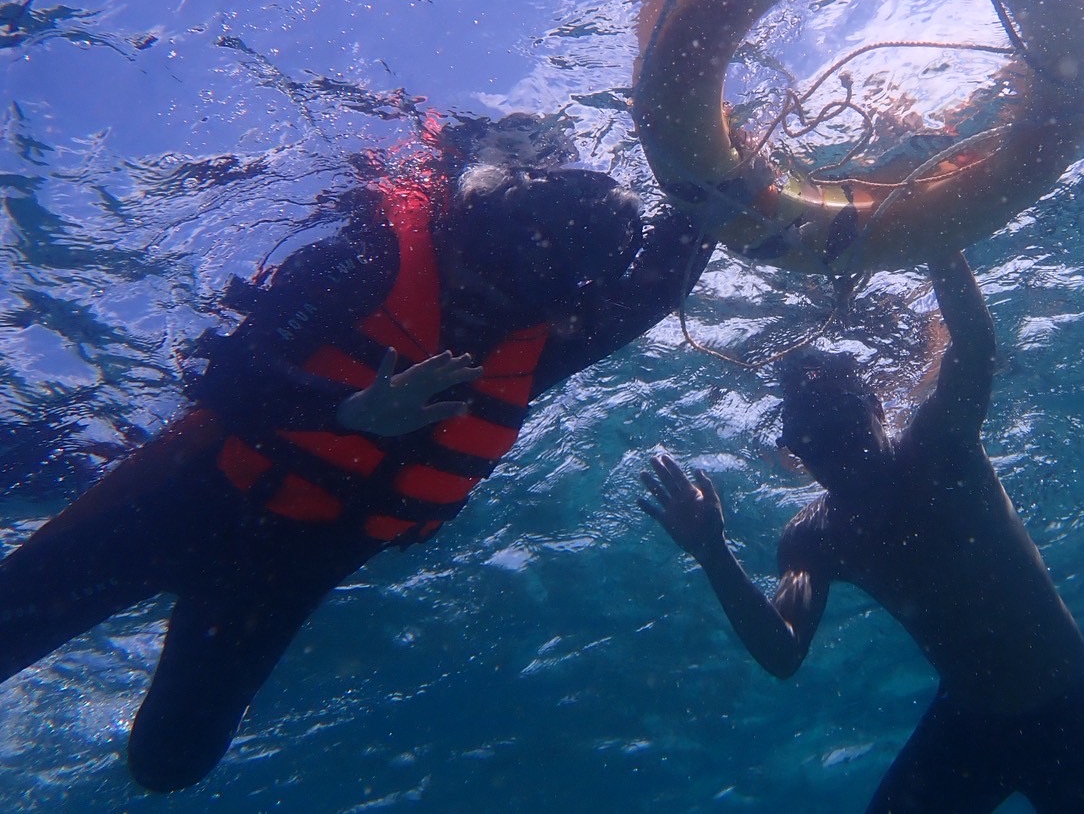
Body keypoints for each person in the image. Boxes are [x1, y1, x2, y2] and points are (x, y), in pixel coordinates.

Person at [0, 112, 714, 792]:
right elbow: (232, 379)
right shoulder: (366, 261)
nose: (490, 299)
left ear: (558, 296)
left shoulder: (537, 340)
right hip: (191, 506)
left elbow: (654, 289)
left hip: (287, 572)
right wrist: (348, 412)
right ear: (480, 219)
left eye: (529, 291)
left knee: (170, 763)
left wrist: (713, 189)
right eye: (493, 262)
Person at [639, 252, 1084, 813]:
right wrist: (712, 554)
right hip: (973, 721)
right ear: (796, 454)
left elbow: (974, 346)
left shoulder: (937, 448)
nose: (838, 456)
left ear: (875, 407)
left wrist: (939, 245)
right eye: (813, 444)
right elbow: (782, 651)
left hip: (1063, 707)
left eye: (843, 429)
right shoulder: (816, 537)